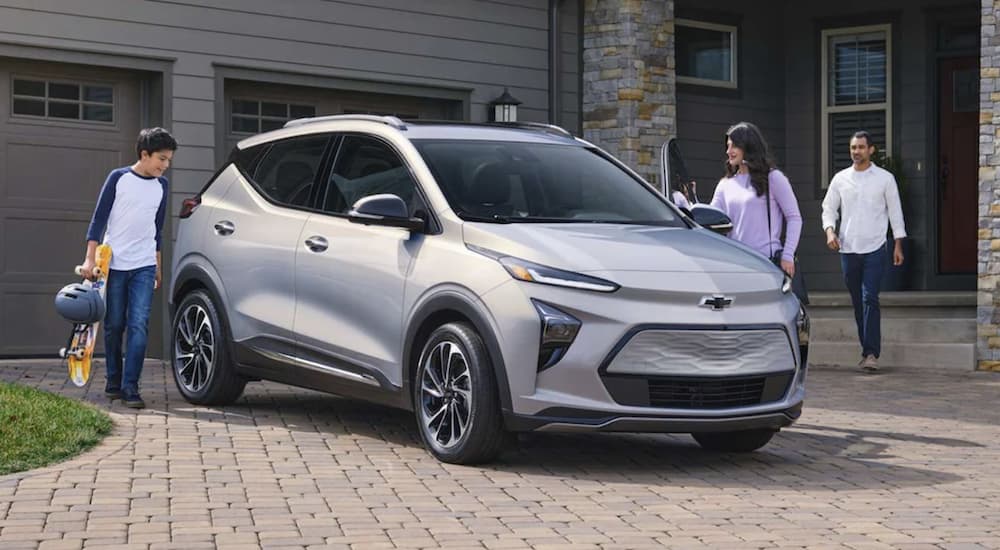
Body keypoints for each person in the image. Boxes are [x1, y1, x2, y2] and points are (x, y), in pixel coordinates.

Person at [81, 127, 176, 408]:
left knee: (138, 325)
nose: (165, 165)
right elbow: (98, 221)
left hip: (144, 265)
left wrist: (158, 265)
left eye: (169, 160)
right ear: (144, 154)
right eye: (161, 158)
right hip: (114, 264)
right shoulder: (119, 178)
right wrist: (89, 259)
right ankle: (113, 381)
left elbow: (157, 229)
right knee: (113, 325)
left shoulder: (163, 186)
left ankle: (130, 387)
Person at [821, 130, 906, 373]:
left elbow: (895, 212)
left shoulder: (885, 179)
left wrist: (898, 244)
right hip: (848, 249)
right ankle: (866, 349)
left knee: (870, 297)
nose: (856, 151)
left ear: (871, 150)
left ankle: (871, 353)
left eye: (860, 147)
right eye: (853, 147)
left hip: (876, 247)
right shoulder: (840, 179)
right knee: (858, 302)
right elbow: (829, 208)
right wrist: (830, 231)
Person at [710, 122, 803, 278]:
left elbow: (794, 217)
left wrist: (787, 255)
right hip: (734, 263)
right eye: (727, 146)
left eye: (733, 146)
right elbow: (710, 218)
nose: (728, 151)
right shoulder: (725, 184)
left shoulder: (773, 178)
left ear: (747, 146)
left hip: (766, 263)